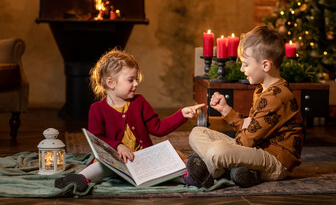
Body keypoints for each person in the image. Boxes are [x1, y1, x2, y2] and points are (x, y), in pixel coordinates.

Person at [55, 48, 204, 192]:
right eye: (130, 80)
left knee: (162, 166)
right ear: (111, 82)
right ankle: (81, 178)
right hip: (114, 161)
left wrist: (181, 115)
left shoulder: (139, 102)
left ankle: (189, 177)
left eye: (136, 79)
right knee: (100, 167)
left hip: (142, 159)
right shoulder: (97, 109)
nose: (136, 84)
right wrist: (118, 146)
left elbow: (158, 128)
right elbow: (98, 139)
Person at [182, 25, 305, 188]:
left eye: (245, 64)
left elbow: (247, 140)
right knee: (197, 133)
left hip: (275, 161)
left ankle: (207, 172)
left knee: (216, 151)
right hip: (256, 148)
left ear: (266, 65)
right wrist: (226, 111)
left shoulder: (277, 96)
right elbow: (251, 127)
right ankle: (238, 171)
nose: (241, 69)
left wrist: (228, 148)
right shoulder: (262, 89)